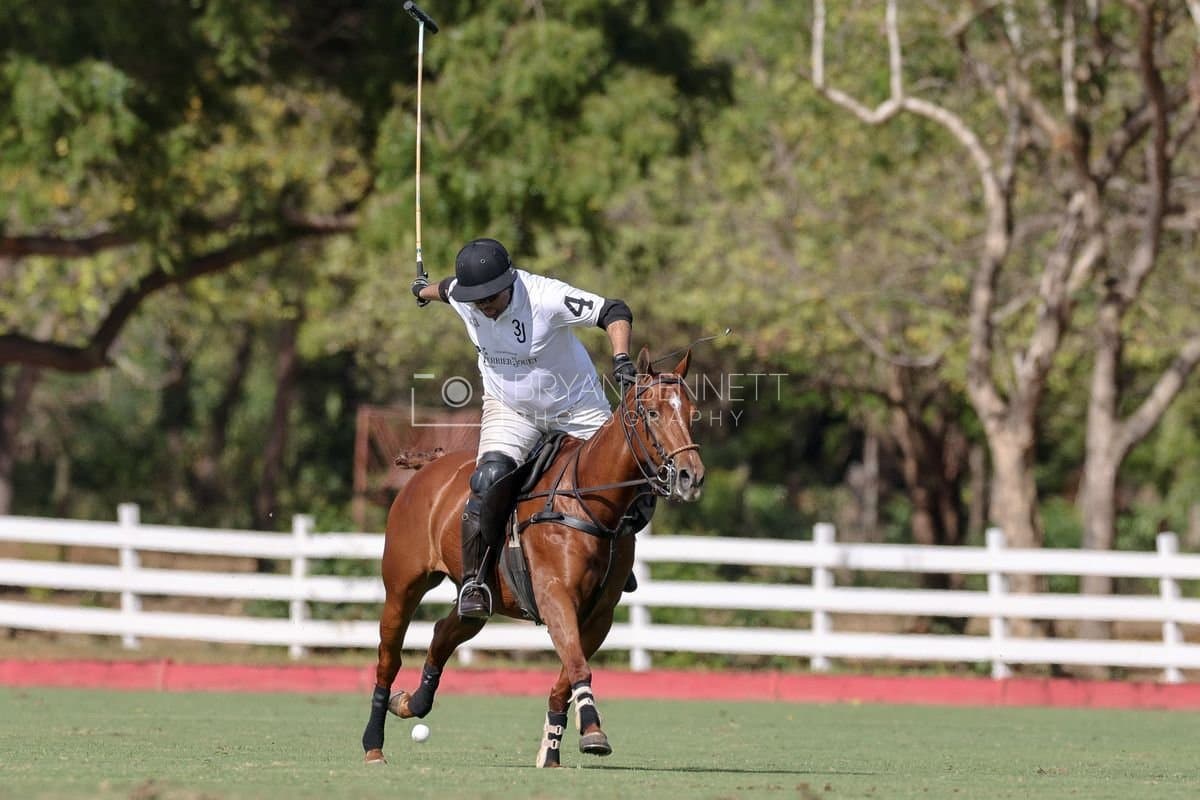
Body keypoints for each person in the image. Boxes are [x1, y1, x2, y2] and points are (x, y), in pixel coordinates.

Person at [411, 238, 637, 619]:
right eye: (477, 297)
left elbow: (614, 310)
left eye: (491, 296)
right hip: (511, 410)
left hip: (576, 406)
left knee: (627, 477)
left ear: (510, 281)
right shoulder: (465, 298)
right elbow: (444, 289)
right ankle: (475, 581)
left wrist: (621, 359)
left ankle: (614, 561)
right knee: (487, 481)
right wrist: (421, 290)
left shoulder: (546, 296)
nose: (483, 304)